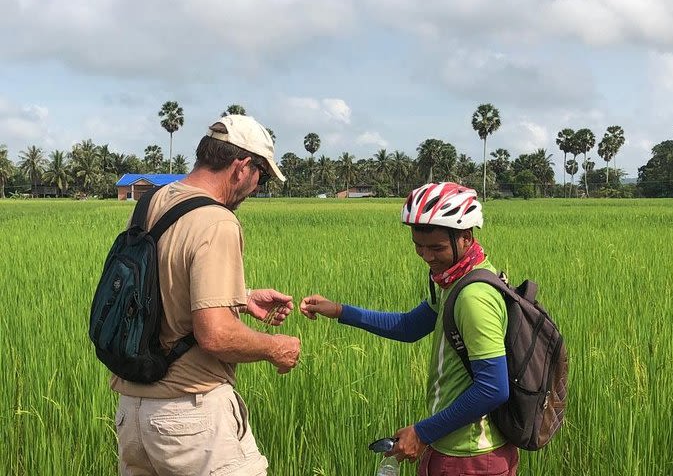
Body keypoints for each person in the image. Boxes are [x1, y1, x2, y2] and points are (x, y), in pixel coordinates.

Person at [111, 115, 301, 476]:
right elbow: (215, 335)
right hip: (190, 420)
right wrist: (276, 348)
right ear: (242, 166)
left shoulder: (152, 202)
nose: (257, 186)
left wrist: (239, 297)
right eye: (261, 174)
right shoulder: (217, 220)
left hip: (132, 415)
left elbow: (153, 290)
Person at [300, 182, 519, 476]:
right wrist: (340, 310)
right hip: (454, 447)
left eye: (437, 247)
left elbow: (493, 388)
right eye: (419, 245)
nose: (427, 256)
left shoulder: (473, 296)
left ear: (466, 237)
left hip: (470, 457)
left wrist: (422, 432)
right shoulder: (452, 281)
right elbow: (409, 326)